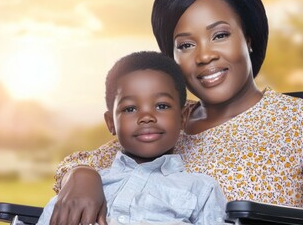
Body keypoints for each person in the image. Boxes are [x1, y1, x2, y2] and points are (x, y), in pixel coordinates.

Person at [50, 0, 303, 224]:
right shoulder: (164, 118)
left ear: (248, 39)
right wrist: (81, 175)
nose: (204, 55)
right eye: (186, 45)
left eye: (220, 35)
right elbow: (82, 162)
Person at [38, 51, 227, 225]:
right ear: (111, 122)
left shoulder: (201, 188)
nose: (146, 117)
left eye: (161, 106)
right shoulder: (81, 192)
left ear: (183, 117)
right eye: (130, 109)